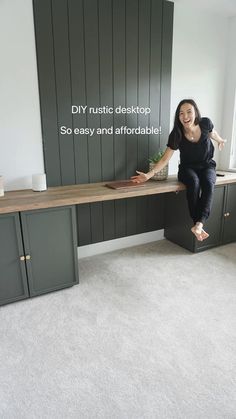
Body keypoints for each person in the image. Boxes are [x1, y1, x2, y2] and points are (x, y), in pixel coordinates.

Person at [131, 99, 226, 241]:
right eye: (181, 113)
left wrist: (220, 140)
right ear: (178, 116)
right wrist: (148, 175)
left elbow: (213, 133)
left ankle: (199, 224)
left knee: (208, 183)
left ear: (195, 113)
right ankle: (197, 224)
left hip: (207, 165)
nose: (185, 116)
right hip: (187, 169)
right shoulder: (177, 134)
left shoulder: (205, 123)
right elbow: (164, 159)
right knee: (194, 183)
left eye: (189, 112)